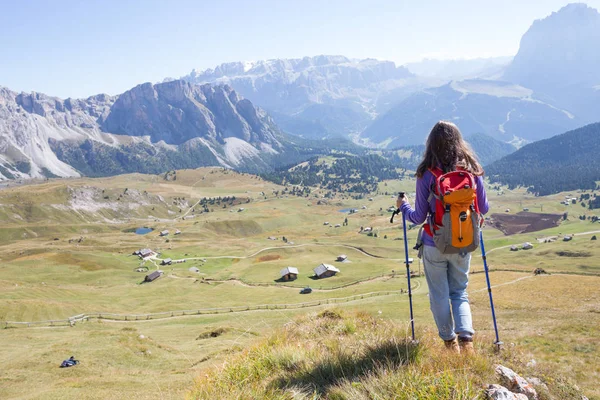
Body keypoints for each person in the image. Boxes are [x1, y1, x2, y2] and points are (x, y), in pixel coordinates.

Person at [397, 121, 489, 354]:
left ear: (431, 145)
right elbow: (484, 208)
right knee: (460, 292)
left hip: (433, 243)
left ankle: (450, 345)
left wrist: (403, 206)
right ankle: (467, 342)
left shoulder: (426, 174)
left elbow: (418, 217)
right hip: (463, 242)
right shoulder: (471, 170)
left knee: (439, 294)